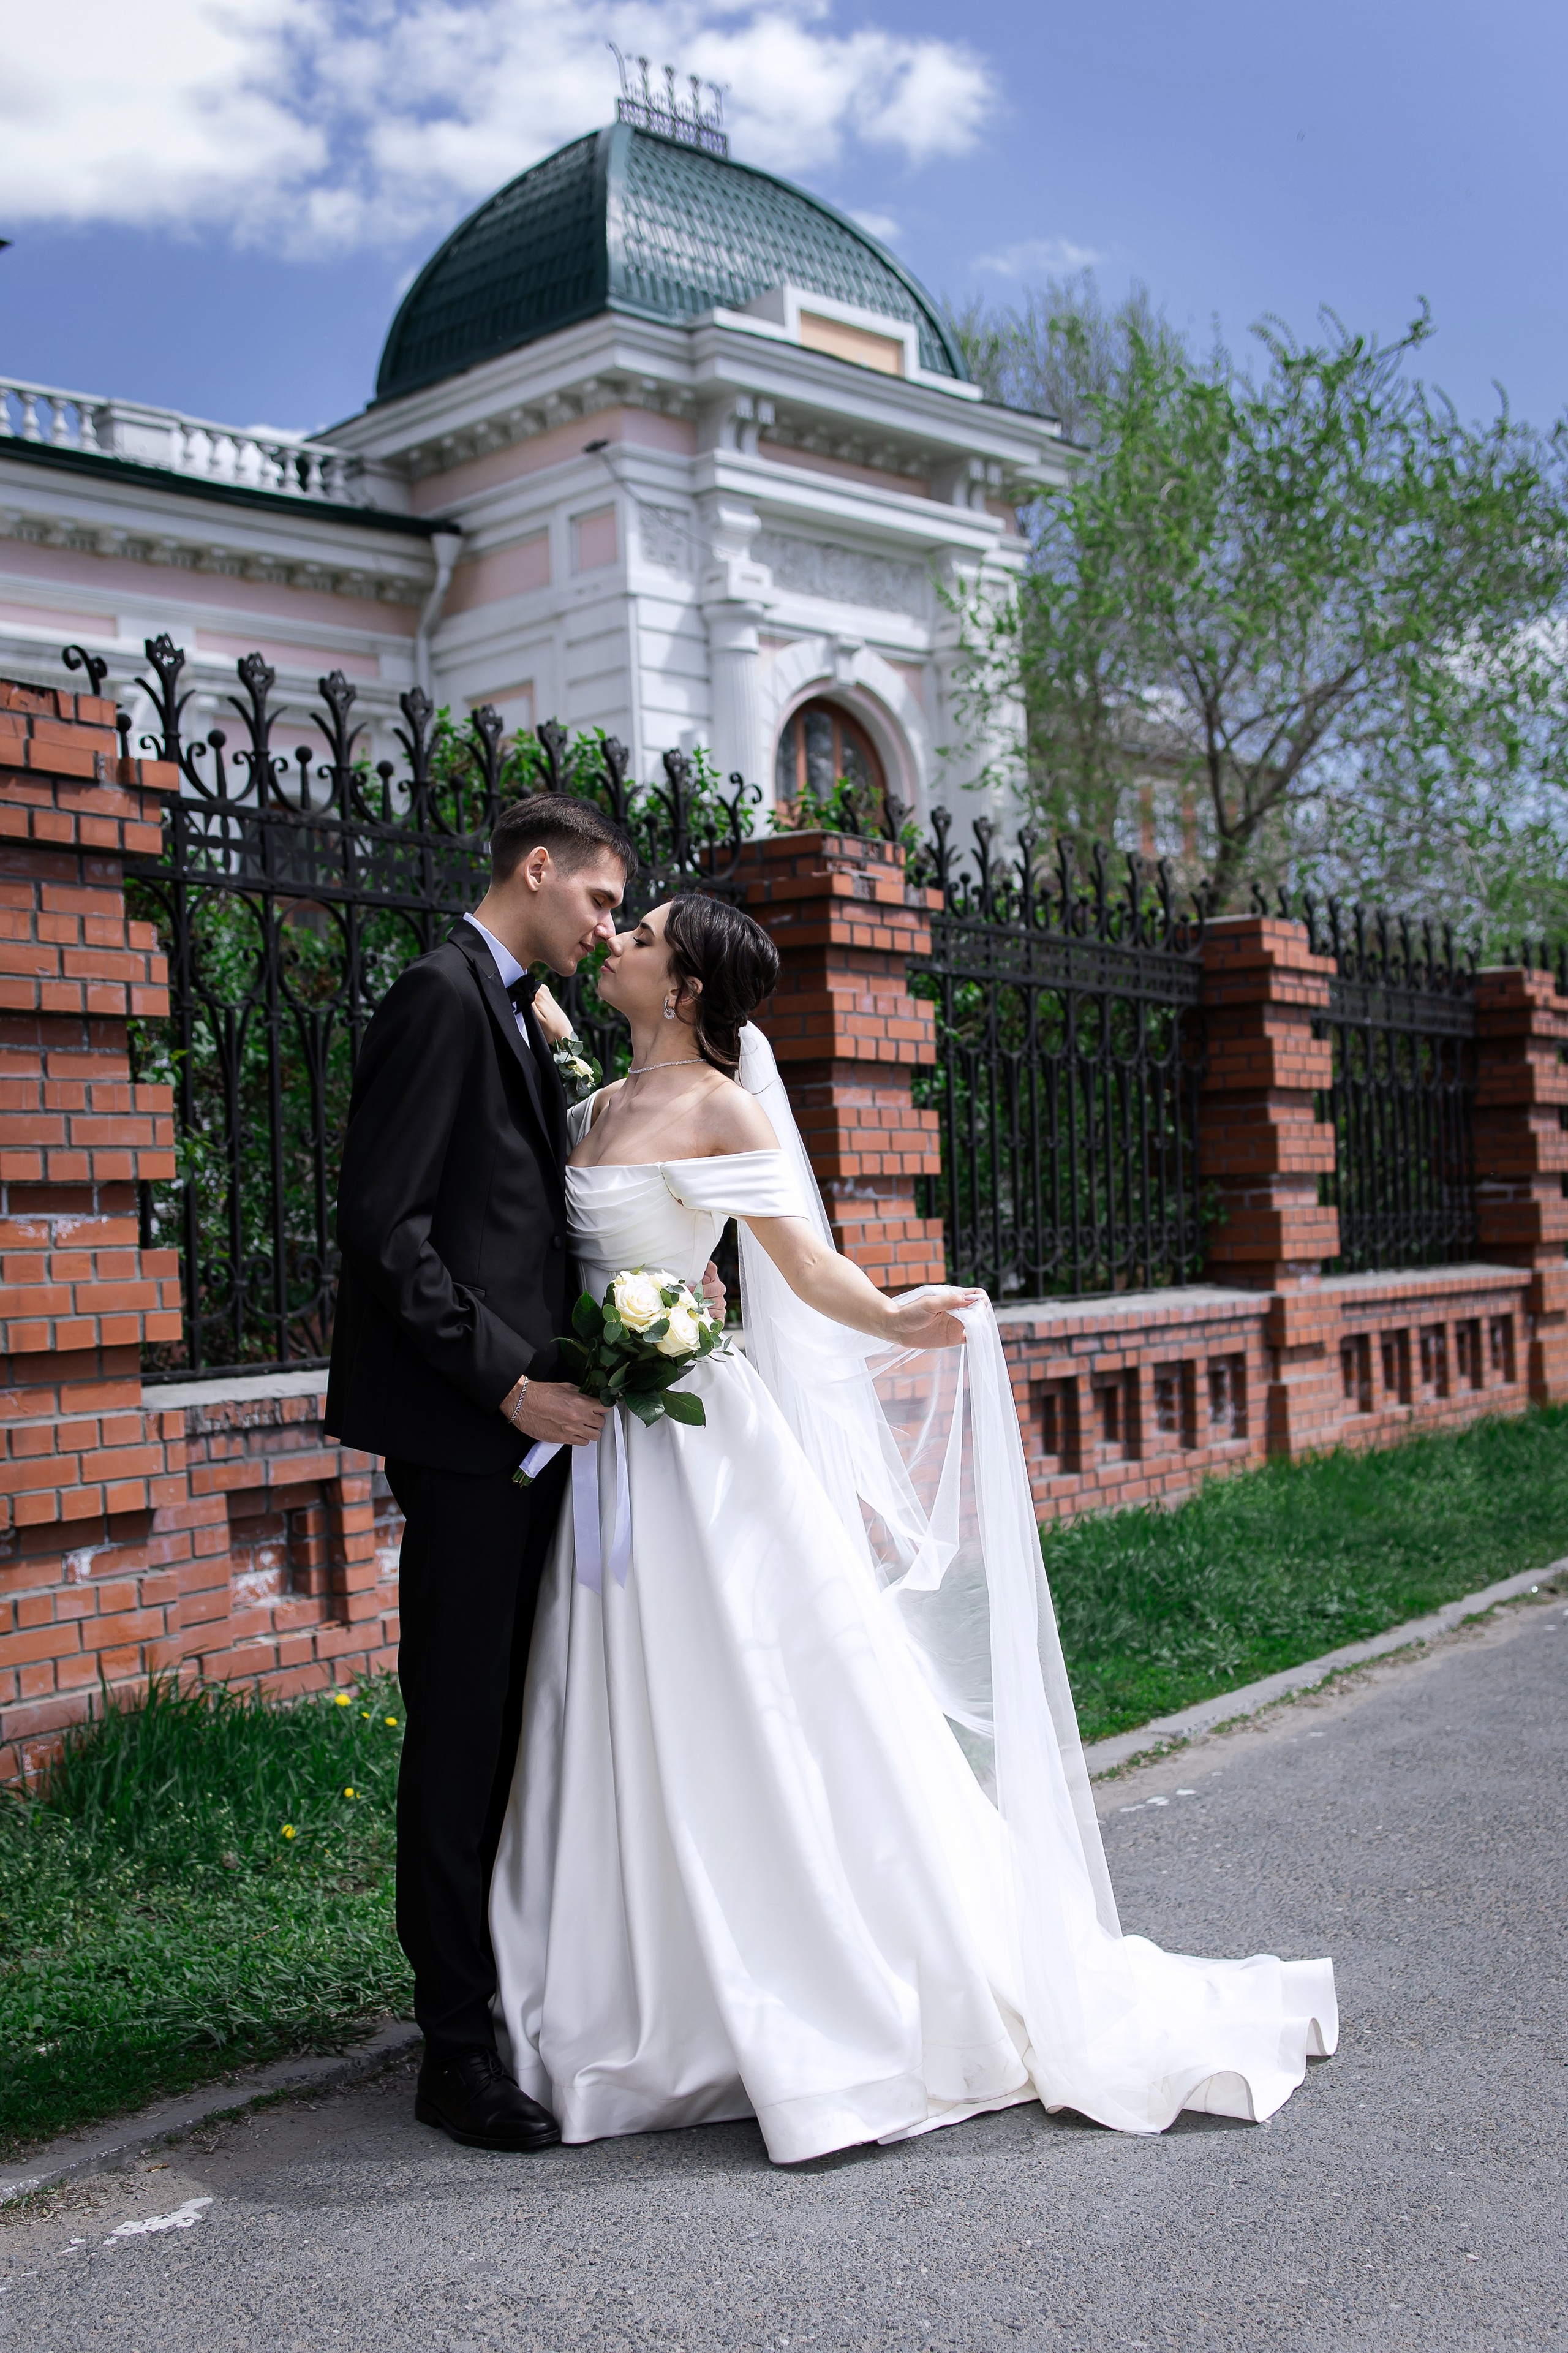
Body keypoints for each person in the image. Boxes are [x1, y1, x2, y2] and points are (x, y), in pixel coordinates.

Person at [495, 893, 1338, 2164]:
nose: (615, 938)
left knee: (753, 1704)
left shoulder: (724, 1107)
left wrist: (894, 1317)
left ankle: (813, 1983)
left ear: (681, 987)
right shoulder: (595, 1103)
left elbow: (802, 1265)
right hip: (607, 1441)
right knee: (614, 1700)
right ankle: (633, 1980)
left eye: (643, 931)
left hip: (697, 1448)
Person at [325, 798, 725, 2155]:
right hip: (469, 1438)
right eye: (602, 902)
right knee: (458, 1735)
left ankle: (514, 1997)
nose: (609, 926)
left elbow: (518, 1215)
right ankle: (453, 2053)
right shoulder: (439, 997)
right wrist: (507, 1382)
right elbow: (388, 1233)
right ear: (537, 870)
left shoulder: (511, 1008)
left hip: (539, 1433)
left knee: (519, 1728)